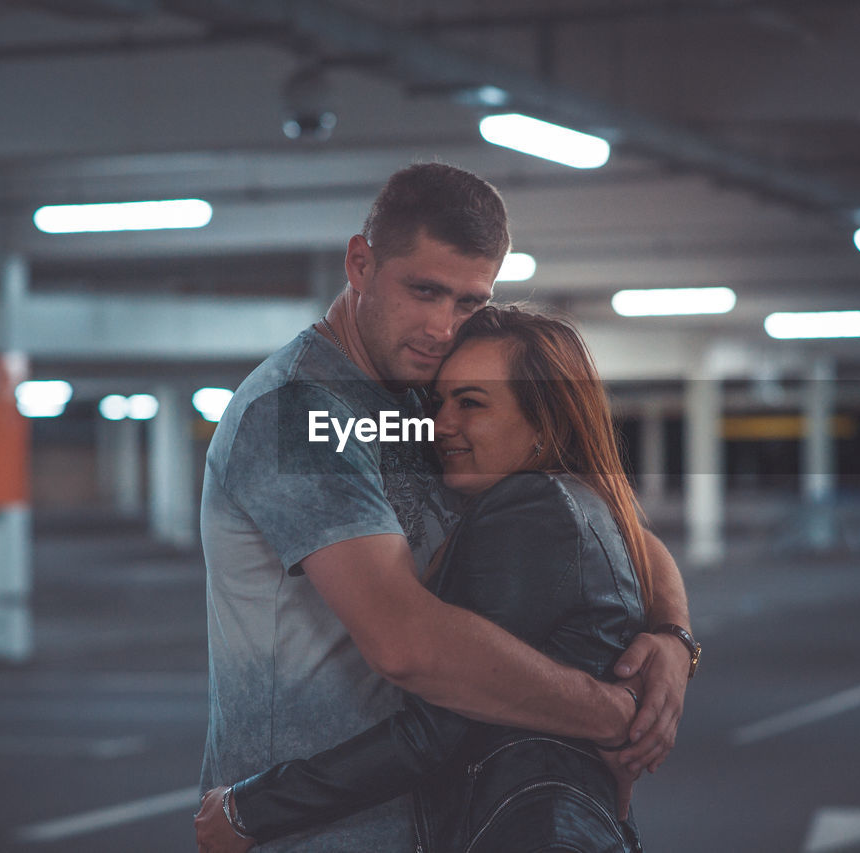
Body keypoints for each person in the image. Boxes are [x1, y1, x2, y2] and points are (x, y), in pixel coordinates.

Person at [198, 163, 696, 851]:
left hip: (439, 818)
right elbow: (406, 645)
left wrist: (671, 639)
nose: (442, 326)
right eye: (424, 290)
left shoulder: (418, 406)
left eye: (468, 301)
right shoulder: (301, 413)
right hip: (317, 831)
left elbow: (609, 530)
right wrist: (612, 712)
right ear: (361, 264)